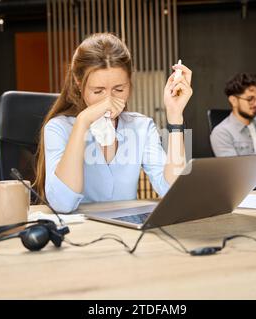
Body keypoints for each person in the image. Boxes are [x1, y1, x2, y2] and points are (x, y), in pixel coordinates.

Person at [34, 33, 193, 213]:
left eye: (119, 89)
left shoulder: (141, 127)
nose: (108, 100)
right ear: (79, 83)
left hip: (129, 232)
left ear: (129, 82)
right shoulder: (58, 128)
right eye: (98, 91)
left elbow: (174, 191)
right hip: (80, 235)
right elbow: (63, 204)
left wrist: (175, 116)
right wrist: (82, 123)